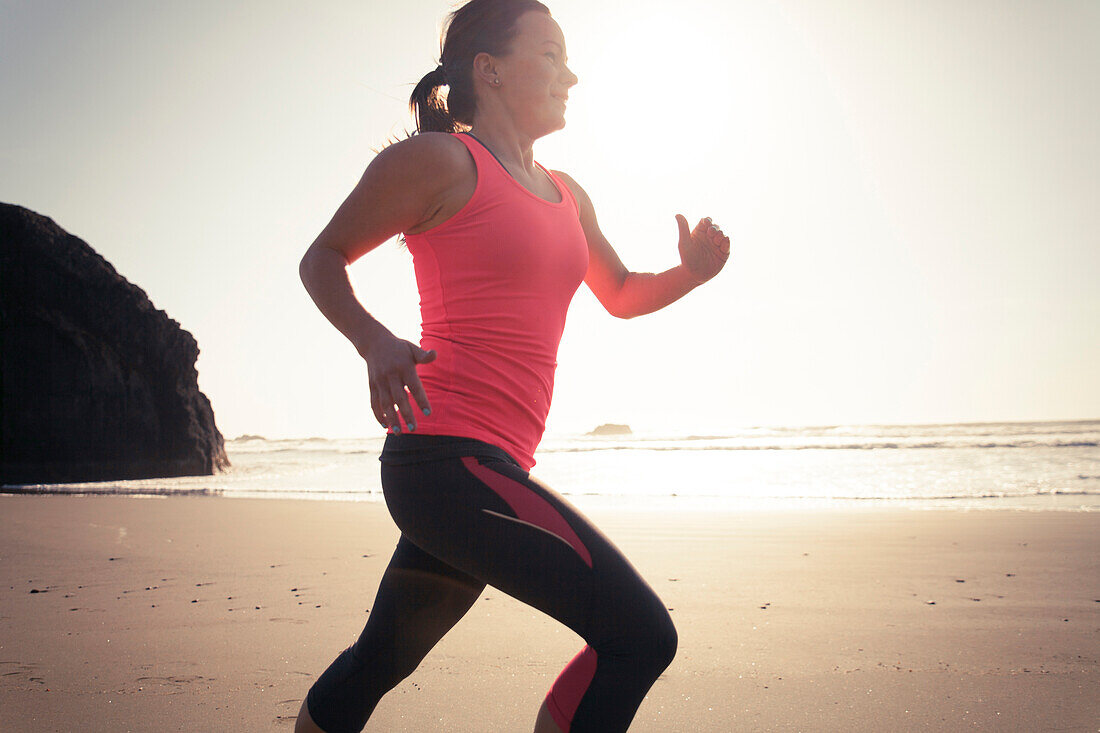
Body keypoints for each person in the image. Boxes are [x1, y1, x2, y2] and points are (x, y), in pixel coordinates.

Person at [295, 1, 729, 730]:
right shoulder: (441, 161)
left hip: (493, 468)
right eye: (553, 55)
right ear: (489, 71)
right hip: (442, 463)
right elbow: (322, 258)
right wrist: (373, 339)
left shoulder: (569, 194)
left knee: (382, 657)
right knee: (641, 636)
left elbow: (620, 294)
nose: (573, 75)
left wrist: (688, 274)